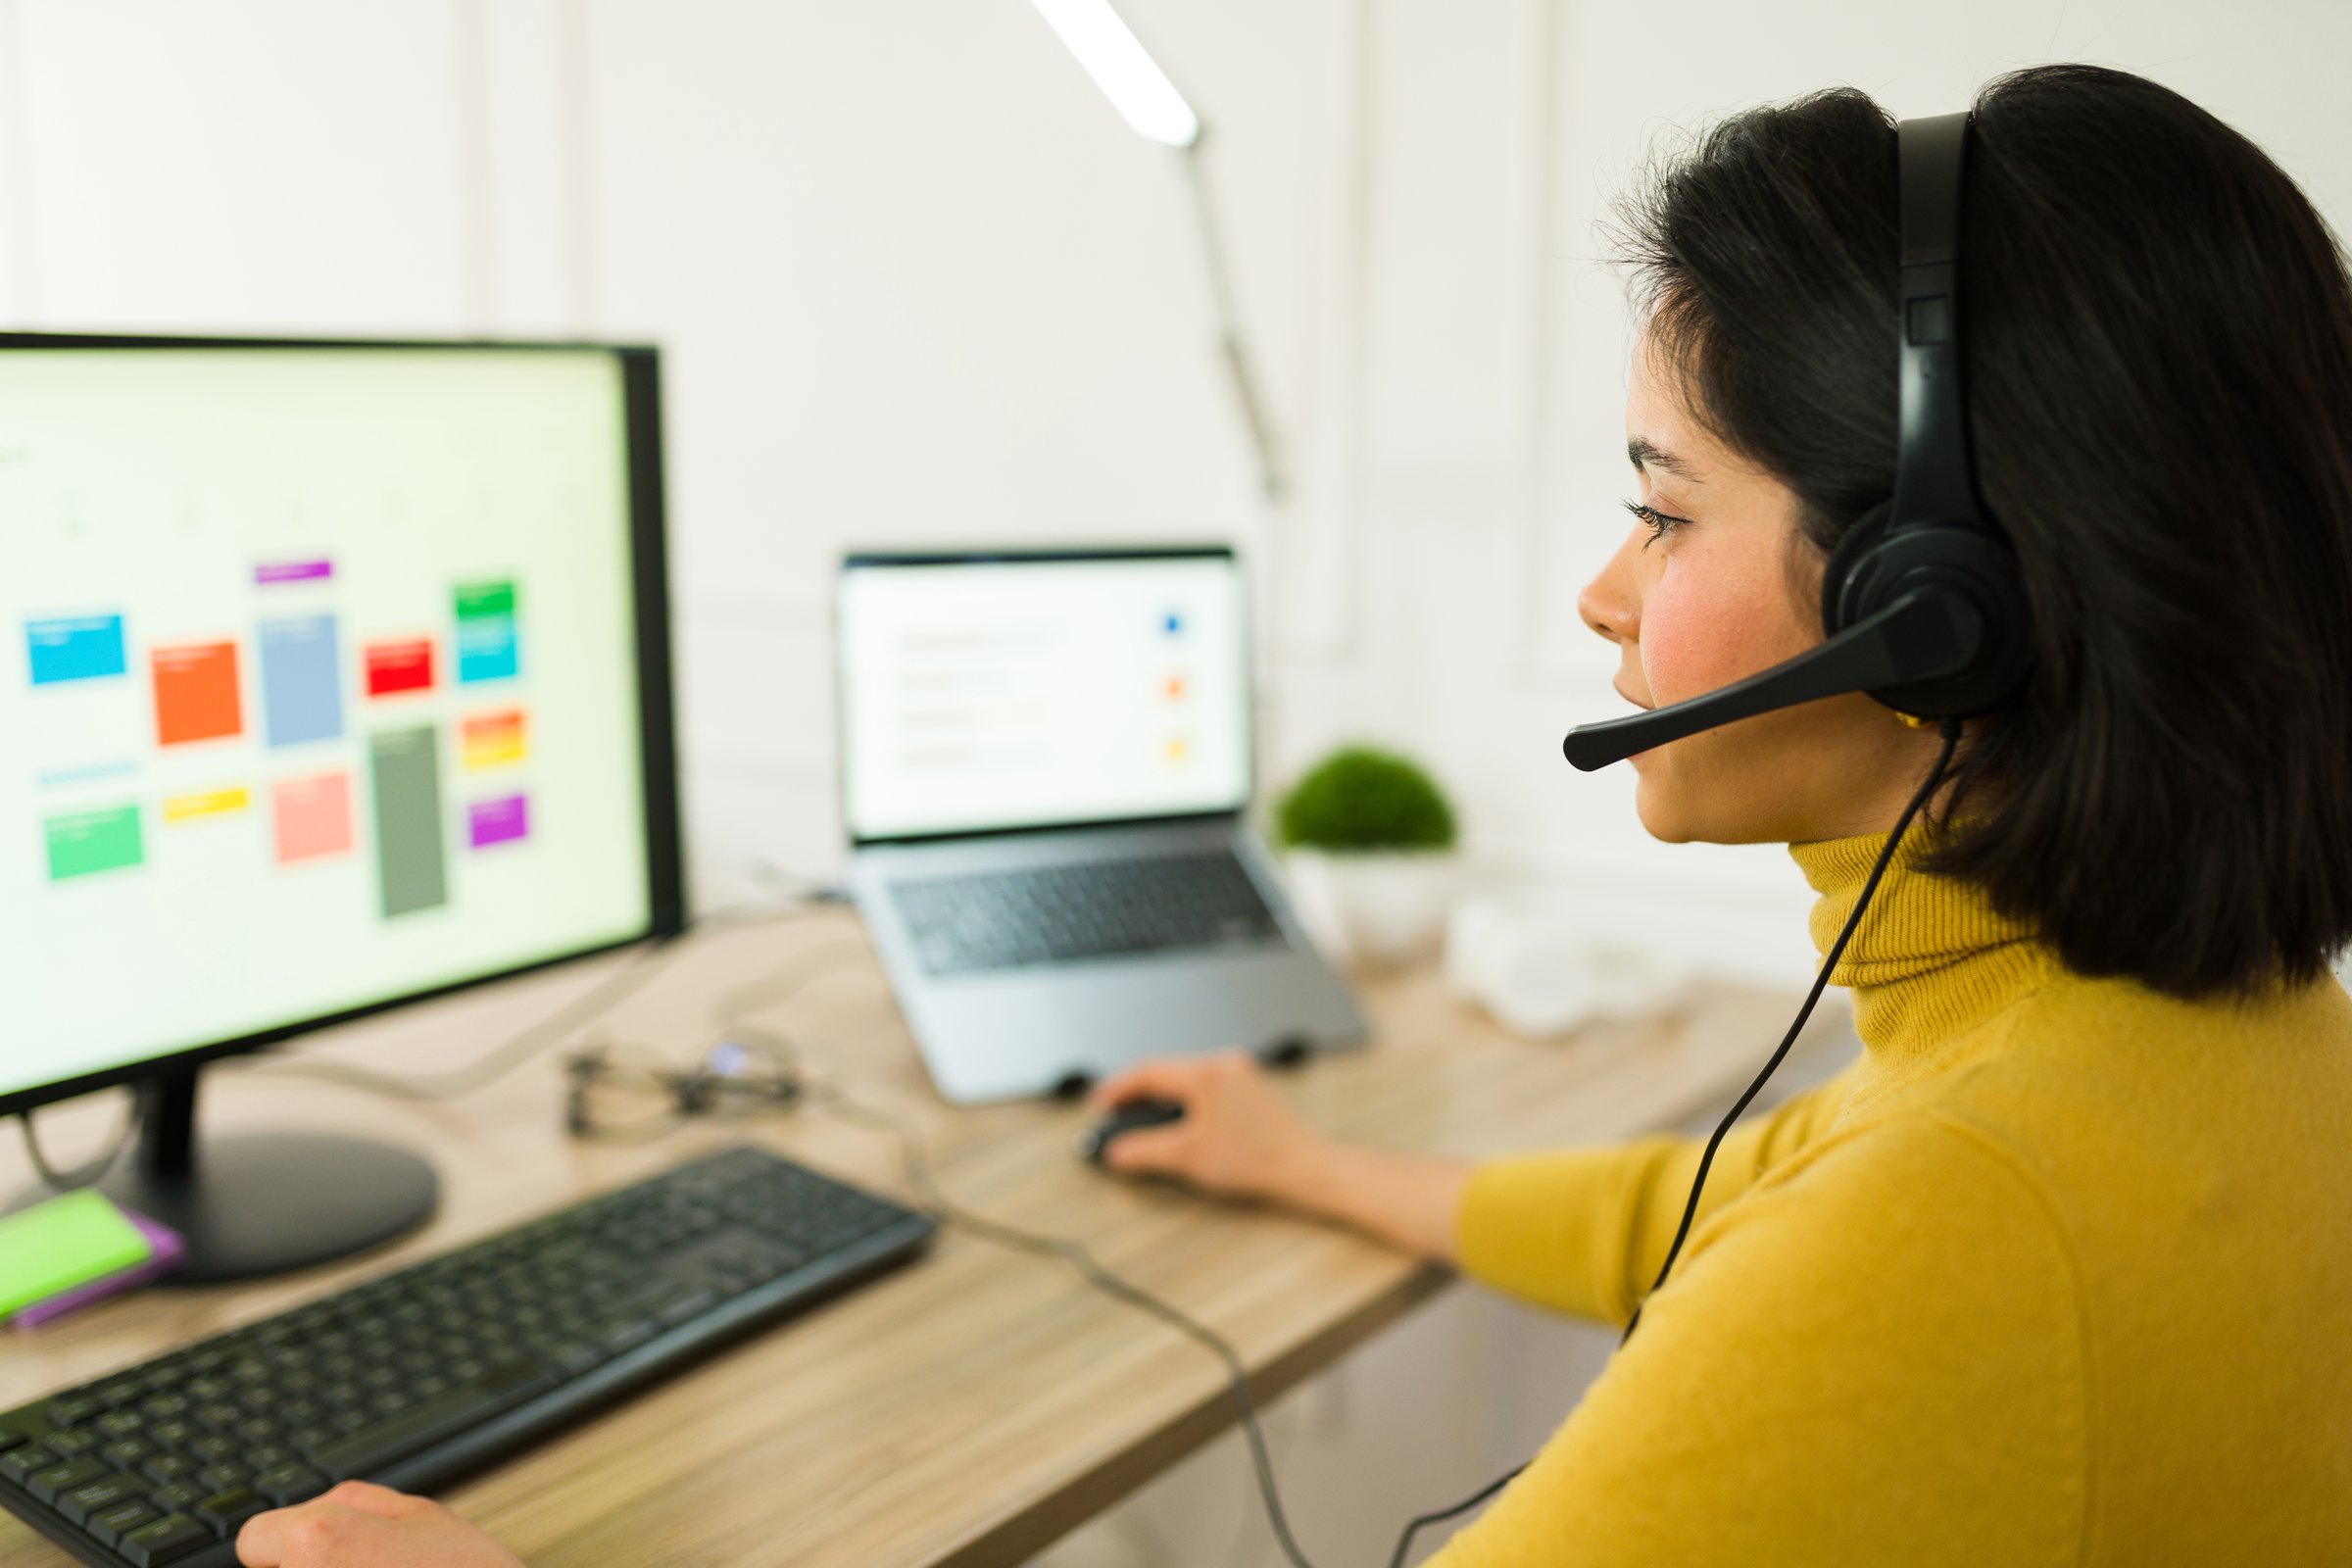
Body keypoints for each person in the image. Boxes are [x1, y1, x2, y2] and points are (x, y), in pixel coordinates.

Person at [234, 62, 2352, 1568]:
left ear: (1934, 605)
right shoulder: (2197, 1044)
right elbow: (1714, 1213)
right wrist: (1313, 1158)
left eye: (1658, 502)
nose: (1603, 589)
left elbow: (1838, 1248)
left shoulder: (1963, 1208)